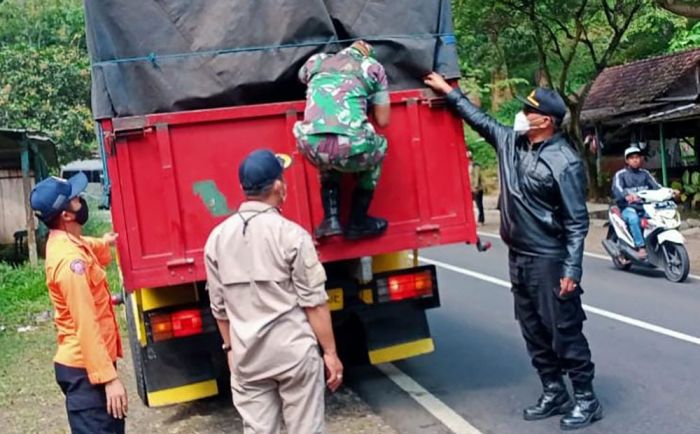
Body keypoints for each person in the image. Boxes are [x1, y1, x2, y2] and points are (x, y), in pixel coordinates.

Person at [424, 73, 602, 430]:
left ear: (545, 121)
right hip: (518, 257)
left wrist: (572, 269)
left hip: (549, 259)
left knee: (563, 330)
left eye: (528, 110)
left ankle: (586, 397)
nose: (521, 114)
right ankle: (554, 390)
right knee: (533, 329)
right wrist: (449, 92)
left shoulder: (564, 161)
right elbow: (480, 119)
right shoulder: (511, 144)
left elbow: (577, 221)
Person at [204, 150, 343, 434]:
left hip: (248, 358)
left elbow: (218, 308)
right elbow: (314, 303)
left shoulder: (216, 239)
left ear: (244, 189)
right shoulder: (292, 235)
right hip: (294, 355)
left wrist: (231, 349)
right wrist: (330, 353)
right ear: (278, 187)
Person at [30, 173, 126, 434]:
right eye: (74, 198)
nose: (81, 199)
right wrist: (109, 379)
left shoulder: (68, 242)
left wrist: (106, 242)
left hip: (87, 367)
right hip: (85, 371)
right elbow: (86, 324)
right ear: (67, 215)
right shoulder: (70, 264)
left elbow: (87, 245)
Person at [294, 40, 391, 240]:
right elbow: (383, 120)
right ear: (367, 54)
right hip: (351, 149)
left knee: (325, 140)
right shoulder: (373, 67)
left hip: (311, 147)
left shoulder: (316, 61)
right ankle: (358, 221)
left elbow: (302, 78)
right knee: (379, 143)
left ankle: (331, 219)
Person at [611, 146, 662, 259]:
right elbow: (617, 188)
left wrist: (669, 192)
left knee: (658, 219)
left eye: (637, 157)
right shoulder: (621, 174)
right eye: (632, 158)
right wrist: (627, 196)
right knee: (634, 219)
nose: (635, 160)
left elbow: (657, 186)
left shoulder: (645, 174)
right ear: (627, 160)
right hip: (628, 208)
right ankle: (641, 247)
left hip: (646, 207)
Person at [468, 150, 485, 224]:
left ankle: (481, 219)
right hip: (470, 188)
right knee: (470, 205)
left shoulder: (475, 166)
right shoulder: (467, 166)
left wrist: (475, 187)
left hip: (477, 188)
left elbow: (476, 177)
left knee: (479, 204)